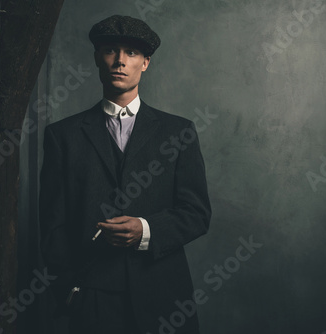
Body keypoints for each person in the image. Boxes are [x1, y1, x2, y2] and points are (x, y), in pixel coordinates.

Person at [39, 14, 211, 334]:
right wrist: (68, 291)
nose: (120, 60)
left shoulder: (179, 132)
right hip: (91, 300)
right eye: (110, 50)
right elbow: (52, 225)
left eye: (131, 53)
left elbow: (197, 213)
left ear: (145, 63)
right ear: (96, 58)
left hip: (165, 298)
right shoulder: (62, 136)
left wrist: (145, 229)